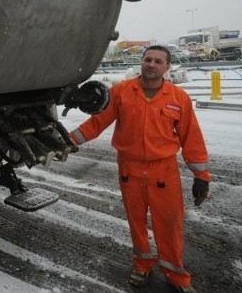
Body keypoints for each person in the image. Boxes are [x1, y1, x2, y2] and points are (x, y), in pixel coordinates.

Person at [68, 45, 210, 293]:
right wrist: (67, 141)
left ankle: (176, 275)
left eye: (158, 61)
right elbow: (97, 123)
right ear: (141, 62)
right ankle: (142, 265)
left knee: (169, 224)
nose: (151, 65)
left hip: (164, 171)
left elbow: (192, 138)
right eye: (147, 60)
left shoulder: (178, 98)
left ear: (167, 67)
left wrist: (201, 176)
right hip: (129, 170)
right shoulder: (122, 92)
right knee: (136, 222)